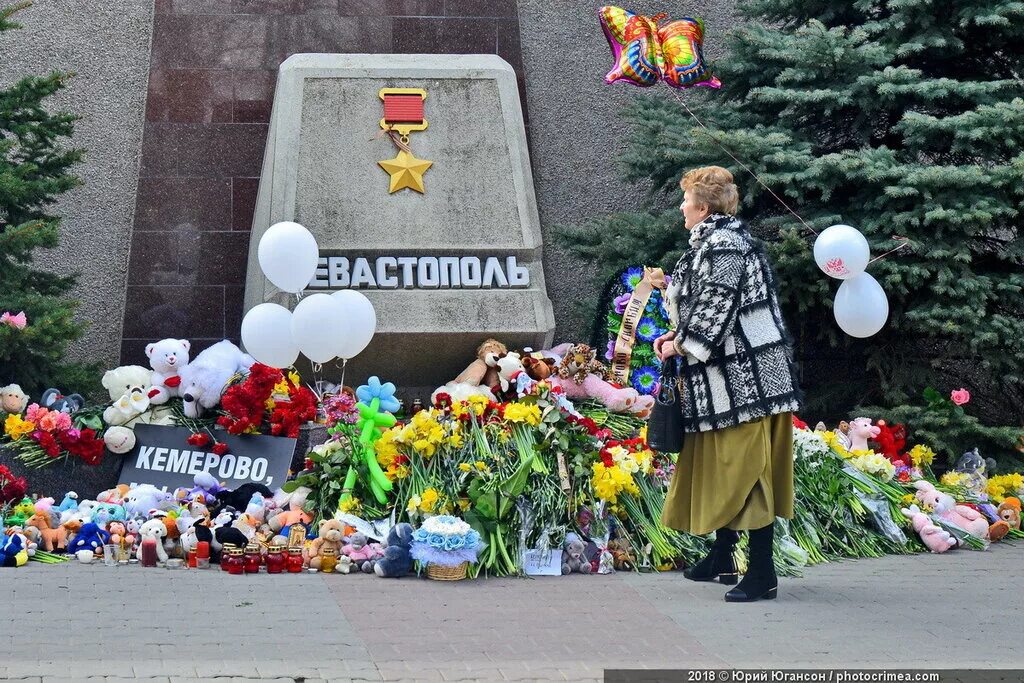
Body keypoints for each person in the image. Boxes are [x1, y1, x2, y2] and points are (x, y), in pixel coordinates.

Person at [653, 166, 801, 602]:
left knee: (746, 471)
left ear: (702, 207)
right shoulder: (710, 242)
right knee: (723, 466)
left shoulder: (725, 244)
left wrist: (681, 345)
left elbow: (715, 310)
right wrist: (674, 336)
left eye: (685, 200)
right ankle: (722, 556)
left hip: (747, 382)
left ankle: (762, 574)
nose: (681, 207)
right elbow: (701, 308)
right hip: (726, 379)